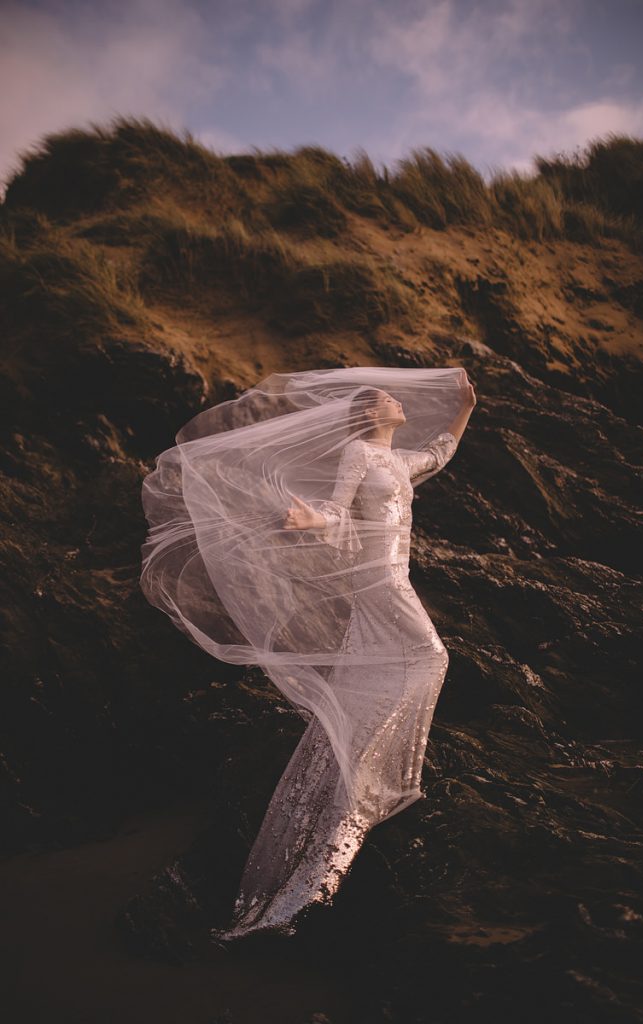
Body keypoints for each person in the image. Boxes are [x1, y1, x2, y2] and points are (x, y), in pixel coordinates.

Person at [139, 365, 475, 944]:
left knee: (409, 665)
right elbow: (339, 512)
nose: (398, 400)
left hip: (396, 578)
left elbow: (442, 452)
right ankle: (378, 770)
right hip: (380, 584)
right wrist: (306, 517)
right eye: (387, 398)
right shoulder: (361, 457)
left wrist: (465, 407)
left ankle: (363, 760)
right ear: (372, 415)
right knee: (431, 657)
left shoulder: (400, 461)